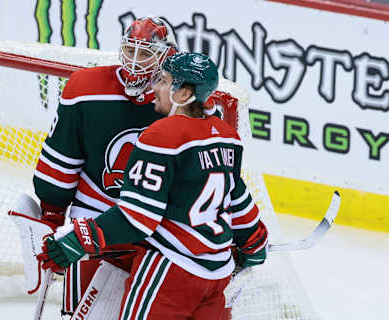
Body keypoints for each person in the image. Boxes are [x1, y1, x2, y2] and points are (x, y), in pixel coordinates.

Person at [37, 52, 268, 319]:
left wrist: (79, 237)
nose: (154, 87)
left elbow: (138, 218)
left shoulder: (161, 135)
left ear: (183, 94)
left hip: (170, 271)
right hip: (218, 275)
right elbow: (236, 196)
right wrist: (253, 240)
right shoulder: (227, 136)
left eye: (164, 81)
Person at [32, 16, 178, 315]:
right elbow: (62, 157)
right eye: (130, 50)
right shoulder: (86, 87)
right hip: (93, 213)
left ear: (167, 56)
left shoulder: (181, 101)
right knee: (80, 311)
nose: (135, 62)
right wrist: (51, 214)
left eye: (146, 53)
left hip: (154, 224)